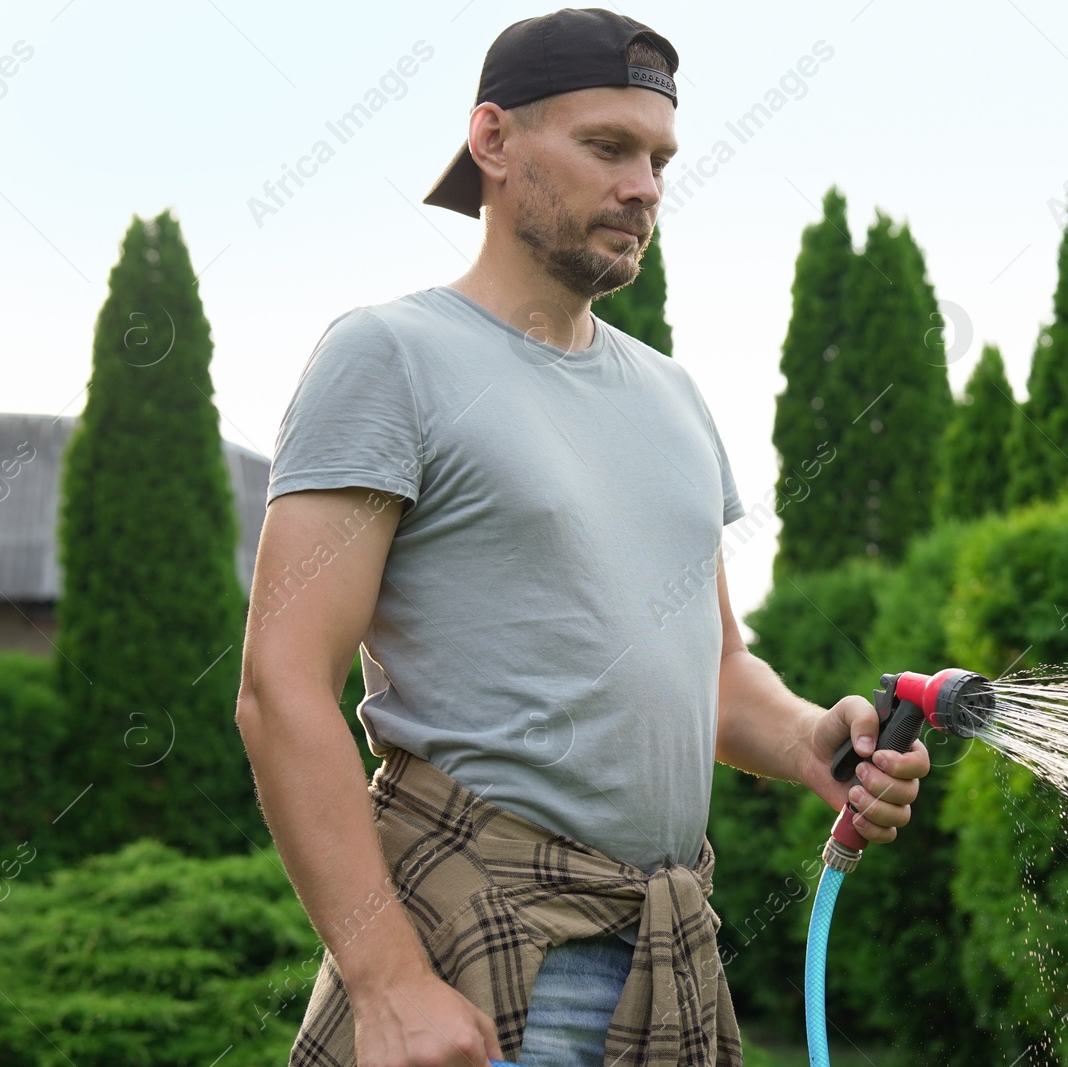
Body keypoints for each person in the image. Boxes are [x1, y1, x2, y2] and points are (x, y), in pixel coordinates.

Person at [234, 9, 930, 1067]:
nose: (645, 184)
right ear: (494, 142)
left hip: (669, 952)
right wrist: (387, 983)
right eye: (606, 147)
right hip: (488, 949)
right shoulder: (392, 355)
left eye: (657, 157)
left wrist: (802, 739)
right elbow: (282, 684)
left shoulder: (672, 396)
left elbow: (712, 661)